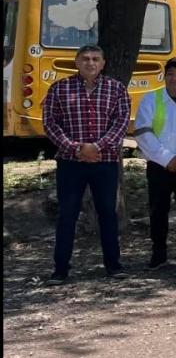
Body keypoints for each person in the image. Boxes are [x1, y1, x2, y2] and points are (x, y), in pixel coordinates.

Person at [43, 45, 132, 285]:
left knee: (107, 214)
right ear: (76, 62)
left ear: (103, 63)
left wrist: (97, 147)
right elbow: (50, 123)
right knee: (67, 215)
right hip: (71, 163)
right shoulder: (60, 89)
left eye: (95, 59)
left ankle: (114, 267)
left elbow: (121, 123)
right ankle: (60, 270)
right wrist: (76, 148)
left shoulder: (117, 90)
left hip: (105, 162)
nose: (90, 63)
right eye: (85, 59)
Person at [134, 56, 176, 270]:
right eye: (170, 74)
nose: (174, 79)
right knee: (158, 210)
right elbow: (143, 132)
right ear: (164, 76)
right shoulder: (151, 99)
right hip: (159, 166)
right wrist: (167, 158)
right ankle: (158, 253)